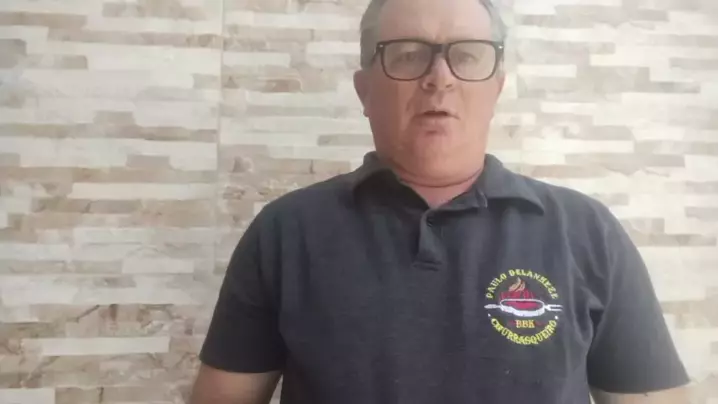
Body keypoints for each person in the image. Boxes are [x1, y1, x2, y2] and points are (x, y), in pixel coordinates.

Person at [189, 0, 692, 403]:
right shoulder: (285, 231)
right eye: (408, 54)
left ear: (496, 87)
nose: (440, 77)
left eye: (467, 55)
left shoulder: (586, 232)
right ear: (364, 91)